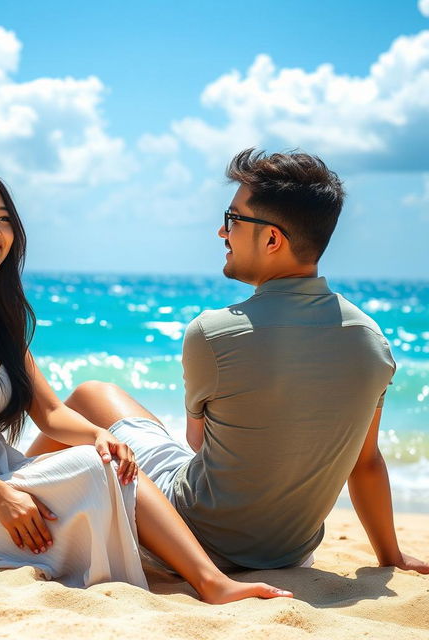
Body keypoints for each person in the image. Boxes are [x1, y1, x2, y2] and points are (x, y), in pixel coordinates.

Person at [0, 167, 293, 604]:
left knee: (105, 457)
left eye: (3, 219)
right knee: (92, 471)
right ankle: (210, 582)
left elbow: (48, 412)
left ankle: (207, 577)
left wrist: (101, 435)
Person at [28, 149, 429, 574]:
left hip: (190, 537)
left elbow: (199, 444)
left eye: (233, 218)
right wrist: (391, 557)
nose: (222, 231)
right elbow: (365, 463)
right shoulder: (371, 342)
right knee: (133, 425)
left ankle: (13, 486)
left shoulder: (213, 333)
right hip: (290, 553)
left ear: (272, 239)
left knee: (93, 395)